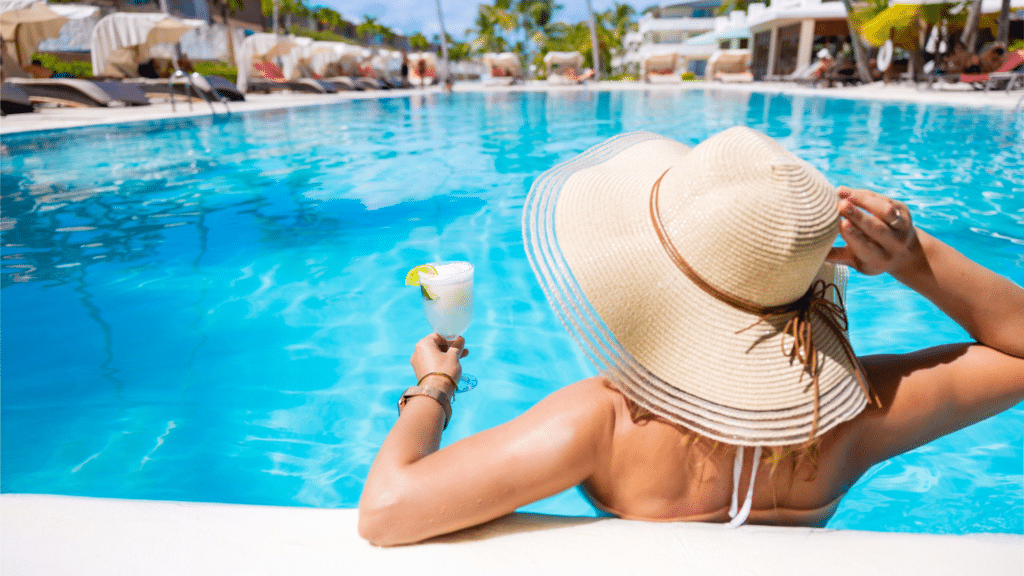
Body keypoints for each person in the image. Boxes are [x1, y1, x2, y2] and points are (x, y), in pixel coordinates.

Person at [358, 127, 1024, 547]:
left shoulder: (605, 422)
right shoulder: (858, 418)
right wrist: (913, 258)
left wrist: (435, 385)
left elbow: (387, 511)